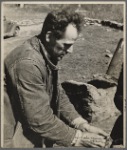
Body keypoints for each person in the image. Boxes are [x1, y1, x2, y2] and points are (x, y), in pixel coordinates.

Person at [4, 9, 108, 148]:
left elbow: (57, 93)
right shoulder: (28, 63)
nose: (71, 51)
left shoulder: (45, 55)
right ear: (49, 36)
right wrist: (78, 138)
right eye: (66, 45)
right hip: (13, 140)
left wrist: (81, 124)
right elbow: (39, 119)